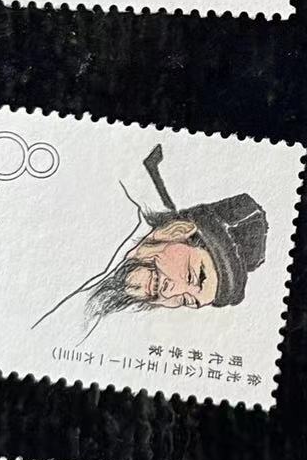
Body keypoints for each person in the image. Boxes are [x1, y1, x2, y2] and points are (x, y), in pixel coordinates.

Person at [33, 143, 268, 340]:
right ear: (177, 231)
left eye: (186, 300)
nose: (170, 293)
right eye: (189, 276)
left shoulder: (104, 303)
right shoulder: (116, 202)